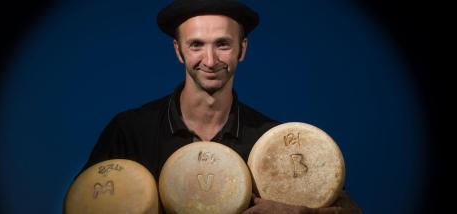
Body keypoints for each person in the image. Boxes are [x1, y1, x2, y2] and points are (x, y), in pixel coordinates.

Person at [79, 0, 362, 213]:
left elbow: (348, 209)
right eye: (196, 45)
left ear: (243, 49)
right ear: (179, 51)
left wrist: (298, 212)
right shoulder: (129, 130)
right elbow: (82, 203)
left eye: (223, 44)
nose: (211, 60)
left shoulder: (273, 141)